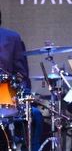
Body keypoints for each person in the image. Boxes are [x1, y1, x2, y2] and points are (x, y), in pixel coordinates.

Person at [0, 9, 43, 151]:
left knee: (35, 115)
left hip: (5, 96)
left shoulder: (11, 38)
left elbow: (21, 74)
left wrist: (22, 97)